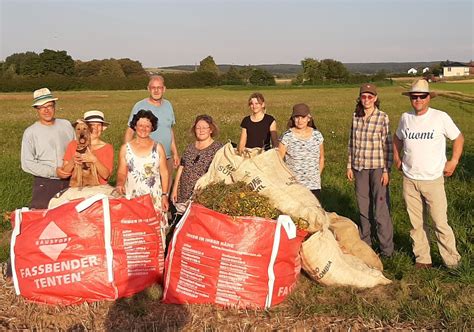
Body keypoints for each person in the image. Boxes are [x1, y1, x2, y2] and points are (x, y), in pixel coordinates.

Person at [393, 79, 464, 269]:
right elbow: (397, 138)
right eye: (414, 96)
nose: (418, 100)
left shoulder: (440, 117)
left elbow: (458, 138)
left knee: (440, 223)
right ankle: (423, 259)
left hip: (433, 179)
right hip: (410, 179)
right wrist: (397, 158)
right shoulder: (405, 117)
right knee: (416, 224)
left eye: (422, 96)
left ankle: (452, 262)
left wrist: (454, 161)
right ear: (410, 98)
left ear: (428, 98)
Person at [347, 83, 394, 258]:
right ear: (360, 98)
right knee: (363, 206)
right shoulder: (355, 117)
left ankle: (387, 249)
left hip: (377, 167)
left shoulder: (382, 117)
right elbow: (351, 143)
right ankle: (366, 244)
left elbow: (387, 145)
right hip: (359, 168)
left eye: (370, 96)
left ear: (375, 98)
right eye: (363, 96)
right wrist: (349, 165)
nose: (366, 100)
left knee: (380, 208)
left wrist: (386, 170)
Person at [21, 88, 74, 209]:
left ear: (55, 106)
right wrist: (54, 172)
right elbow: (27, 163)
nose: (46, 110)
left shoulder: (66, 125)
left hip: (70, 181)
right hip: (45, 182)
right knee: (42, 217)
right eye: (41, 107)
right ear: (36, 109)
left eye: (49, 106)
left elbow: (76, 149)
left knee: (69, 217)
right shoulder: (30, 132)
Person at [124, 75, 179, 193]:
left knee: (166, 185)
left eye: (159, 87)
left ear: (164, 89)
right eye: (153, 87)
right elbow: (130, 130)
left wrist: (175, 153)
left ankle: (164, 208)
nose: (156, 90)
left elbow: (170, 130)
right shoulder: (140, 106)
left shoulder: (168, 105)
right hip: (147, 156)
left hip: (167, 155)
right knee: (147, 186)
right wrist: (128, 152)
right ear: (148, 89)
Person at [116, 110, 169, 214]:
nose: (143, 129)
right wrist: (120, 184)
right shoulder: (125, 149)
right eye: (140, 125)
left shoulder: (158, 147)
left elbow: (164, 173)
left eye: (147, 126)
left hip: (154, 198)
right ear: (135, 126)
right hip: (132, 197)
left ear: (152, 128)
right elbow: (122, 172)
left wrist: (164, 195)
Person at [171, 115, 223, 215]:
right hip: (184, 192)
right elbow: (181, 168)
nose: (201, 130)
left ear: (211, 130)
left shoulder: (218, 148)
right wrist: (174, 189)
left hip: (203, 194)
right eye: (198, 128)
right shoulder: (189, 148)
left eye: (204, 128)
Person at [278, 103, 324, 200]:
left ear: (308, 118)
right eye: (297, 117)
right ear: (293, 118)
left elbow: (321, 158)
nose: (300, 121)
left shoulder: (317, 135)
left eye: (303, 117)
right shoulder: (287, 136)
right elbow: (279, 161)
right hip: (294, 186)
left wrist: (316, 176)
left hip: (313, 185)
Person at [57, 110, 114, 184]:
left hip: (98, 188)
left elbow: (106, 175)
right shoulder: (73, 145)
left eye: (99, 125)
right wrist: (73, 161)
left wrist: (94, 160)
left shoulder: (107, 148)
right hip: (77, 187)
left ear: (102, 127)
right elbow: (64, 173)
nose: (95, 128)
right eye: (92, 125)